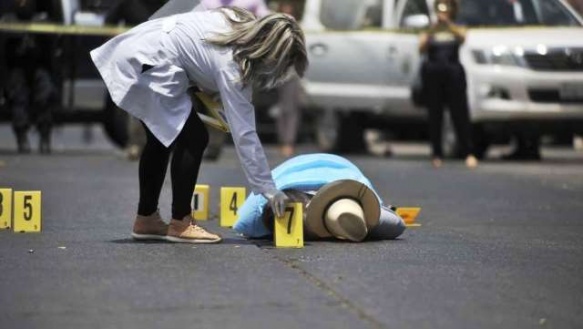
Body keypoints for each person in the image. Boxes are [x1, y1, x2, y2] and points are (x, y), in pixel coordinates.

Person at [90, 7, 308, 243]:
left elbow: (193, 37)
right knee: (194, 138)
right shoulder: (233, 65)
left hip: (141, 48)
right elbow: (245, 134)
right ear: (272, 54)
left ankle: (146, 219)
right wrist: (268, 189)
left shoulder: (234, 19)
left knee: (160, 138)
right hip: (152, 61)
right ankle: (180, 223)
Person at [233, 153, 407, 241]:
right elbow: (397, 224)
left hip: (342, 167)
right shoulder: (256, 210)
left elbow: (397, 224)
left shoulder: (356, 188)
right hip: (295, 172)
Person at [104, 0, 167, 161]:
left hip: (166, 56)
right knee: (139, 104)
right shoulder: (128, 3)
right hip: (136, 58)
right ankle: (136, 144)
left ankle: (167, 145)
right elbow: (108, 25)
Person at [419, 0, 478, 168]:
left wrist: (448, 24)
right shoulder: (430, 28)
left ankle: (468, 152)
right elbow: (421, 47)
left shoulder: (457, 26)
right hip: (433, 73)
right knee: (435, 114)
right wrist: (434, 28)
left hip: (453, 73)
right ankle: (436, 153)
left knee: (460, 114)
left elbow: (462, 37)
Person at [1, 0, 59, 154]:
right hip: (16, 63)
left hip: (39, 63)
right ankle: (22, 138)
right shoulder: (9, 15)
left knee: (45, 96)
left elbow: (54, 36)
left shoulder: (44, 12)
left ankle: (45, 137)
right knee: (19, 98)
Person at [274, 1, 302, 157]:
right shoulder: (275, 29)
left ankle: (288, 141)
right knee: (281, 109)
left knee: (290, 108)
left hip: (291, 74)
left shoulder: (297, 30)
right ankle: (282, 140)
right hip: (276, 74)